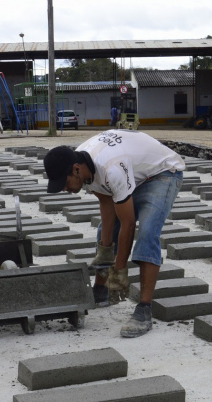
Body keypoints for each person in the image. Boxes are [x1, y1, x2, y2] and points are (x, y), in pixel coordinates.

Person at [43, 130, 185, 338]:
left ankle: (144, 309)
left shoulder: (111, 168)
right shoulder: (84, 164)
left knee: (147, 232)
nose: (64, 189)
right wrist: (105, 250)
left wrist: (119, 271)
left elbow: (128, 225)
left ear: (75, 170)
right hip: (134, 173)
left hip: (162, 173)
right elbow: (107, 206)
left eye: (64, 184)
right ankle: (101, 291)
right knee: (105, 231)